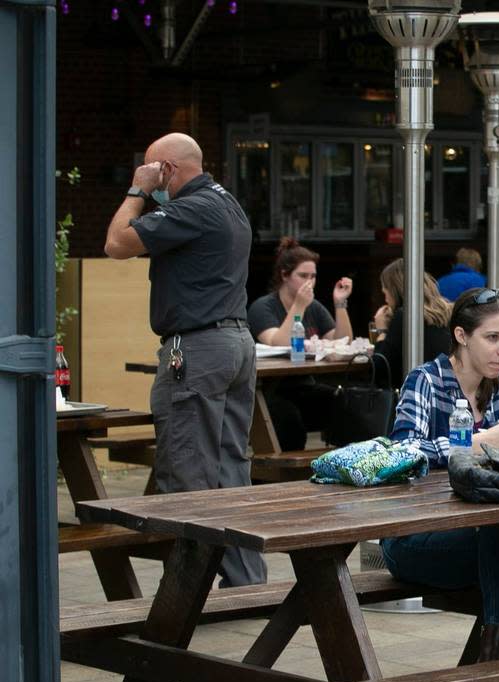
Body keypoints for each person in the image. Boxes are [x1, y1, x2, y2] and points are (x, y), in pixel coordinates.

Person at [384, 287, 499, 682]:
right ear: (461, 335)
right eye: (492, 338)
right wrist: (479, 442)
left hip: (478, 536)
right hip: (414, 539)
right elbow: (404, 452)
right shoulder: (426, 379)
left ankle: (498, 656)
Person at [103, 132, 265, 587]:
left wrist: (137, 190)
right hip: (235, 342)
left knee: (187, 472)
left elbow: (116, 243)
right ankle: (247, 585)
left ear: (167, 169)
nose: (150, 179)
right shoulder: (227, 202)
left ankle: (184, 597)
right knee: (230, 469)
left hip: (198, 348)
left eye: (152, 170)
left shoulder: (191, 208)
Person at [246, 238, 354, 451]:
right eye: (303, 276)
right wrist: (299, 306)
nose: (309, 282)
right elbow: (278, 342)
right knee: (288, 420)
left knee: (346, 402)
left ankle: (346, 462)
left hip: (304, 384)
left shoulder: (313, 306)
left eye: (313, 276)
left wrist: (340, 303)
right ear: (284, 275)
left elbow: (343, 341)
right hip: (269, 389)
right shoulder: (264, 307)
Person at [371, 258, 452, 385]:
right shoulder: (447, 311)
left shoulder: (405, 316)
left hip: (414, 395)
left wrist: (382, 331)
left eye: (385, 292)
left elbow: (380, 368)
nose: (385, 299)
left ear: (394, 290)